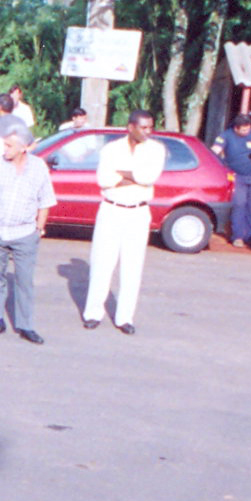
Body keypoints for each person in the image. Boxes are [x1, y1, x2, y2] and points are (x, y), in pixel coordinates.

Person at [83, 109, 165, 335]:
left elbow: (149, 178)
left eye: (151, 127)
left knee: (132, 266)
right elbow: (103, 180)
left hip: (138, 213)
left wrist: (121, 174)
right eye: (143, 127)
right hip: (111, 210)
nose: (148, 131)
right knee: (101, 262)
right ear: (130, 127)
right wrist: (134, 177)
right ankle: (93, 313)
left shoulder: (156, 150)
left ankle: (124, 317)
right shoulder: (111, 149)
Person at [0, 129, 55, 344]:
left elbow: (45, 201)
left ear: (24, 148)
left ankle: (26, 325)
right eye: (5, 144)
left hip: (24, 233)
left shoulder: (38, 168)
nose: (5, 149)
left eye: (9, 146)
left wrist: (39, 228)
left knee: (24, 280)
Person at [211, 111, 251, 248]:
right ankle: (237, 236)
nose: (246, 131)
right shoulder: (226, 135)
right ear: (236, 128)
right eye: (243, 129)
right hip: (238, 176)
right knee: (239, 205)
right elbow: (216, 149)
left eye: (248, 128)